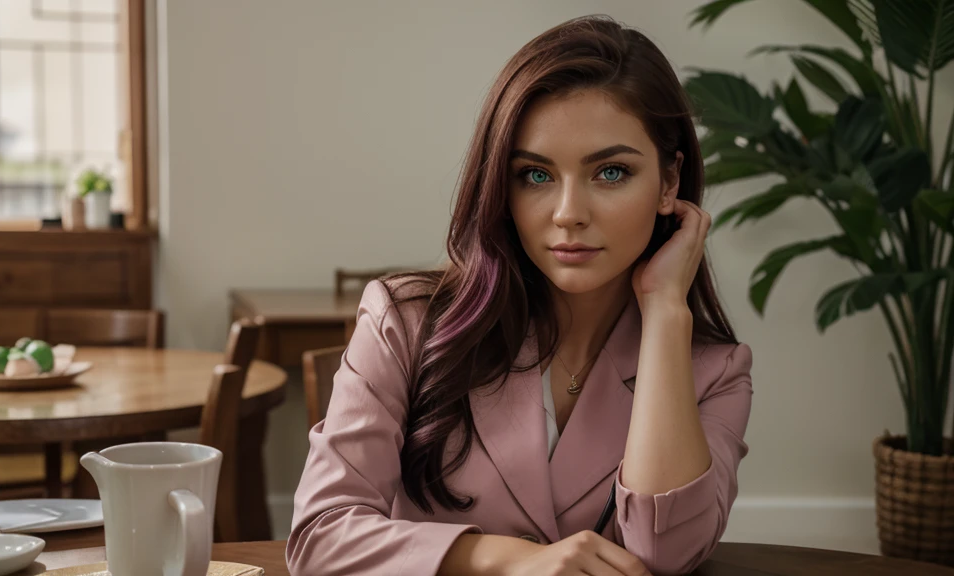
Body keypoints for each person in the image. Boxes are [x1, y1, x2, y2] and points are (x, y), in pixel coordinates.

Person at [286, 14, 752, 576]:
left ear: (669, 183)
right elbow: (321, 538)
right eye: (535, 175)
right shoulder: (404, 322)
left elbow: (669, 554)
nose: (568, 214)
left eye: (610, 172)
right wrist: (503, 559)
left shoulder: (714, 370)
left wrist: (664, 311)